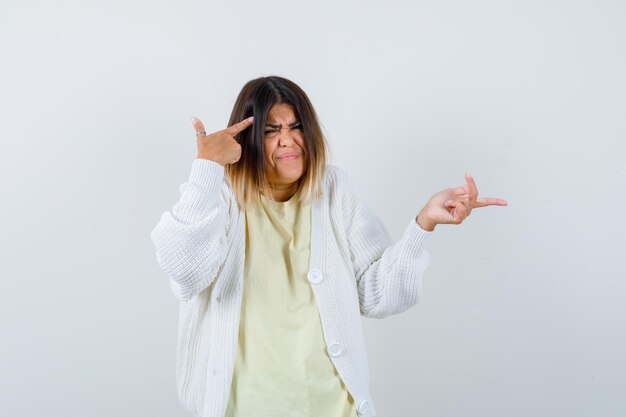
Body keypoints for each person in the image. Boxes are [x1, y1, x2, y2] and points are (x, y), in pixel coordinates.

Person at [150, 75, 508, 417]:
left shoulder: (334, 189)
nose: (288, 140)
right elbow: (185, 272)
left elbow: (376, 295)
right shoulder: (221, 196)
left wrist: (423, 223)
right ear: (249, 138)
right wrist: (206, 168)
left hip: (334, 407)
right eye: (271, 131)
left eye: (296, 127)